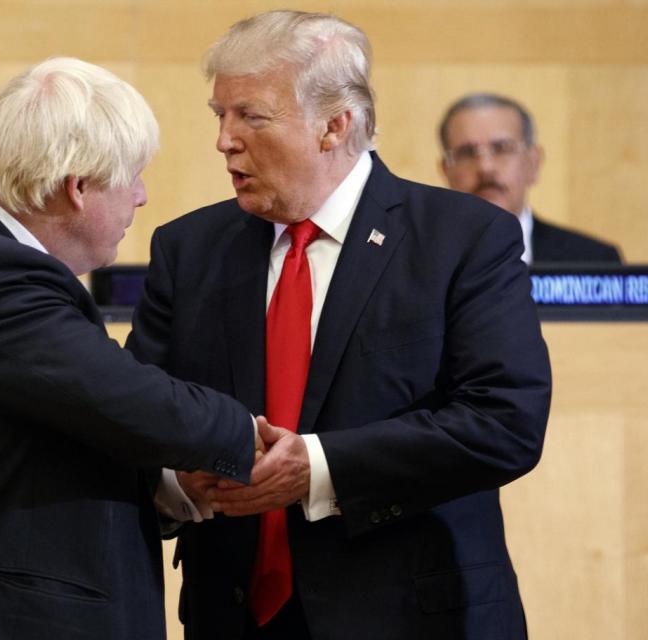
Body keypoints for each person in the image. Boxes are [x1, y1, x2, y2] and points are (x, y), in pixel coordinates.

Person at [126, 10, 551, 640]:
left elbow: (504, 421)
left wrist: (320, 468)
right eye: (220, 115)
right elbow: (138, 419)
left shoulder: (461, 238)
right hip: (233, 615)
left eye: (250, 115)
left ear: (334, 124)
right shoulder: (188, 251)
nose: (224, 139)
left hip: (415, 615)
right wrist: (181, 484)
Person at [0, 57, 266, 640]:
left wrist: (174, 488)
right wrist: (252, 435)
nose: (141, 196)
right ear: (78, 187)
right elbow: (130, 400)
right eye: (132, 175)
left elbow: (54, 448)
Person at [438, 92, 622, 264]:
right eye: (467, 153)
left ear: (533, 163)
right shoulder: (418, 261)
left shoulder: (593, 260)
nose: (486, 167)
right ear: (446, 171)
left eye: (502, 148)